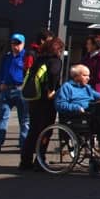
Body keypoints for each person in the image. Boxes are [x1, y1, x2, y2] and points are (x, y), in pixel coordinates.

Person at [19, 36, 64, 171]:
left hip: (34, 98)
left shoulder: (39, 59)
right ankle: (40, 160)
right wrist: (52, 89)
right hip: (46, 99)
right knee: (45, 130)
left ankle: (25, 161)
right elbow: (54, 73)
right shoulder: (55, 60)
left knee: (33, 130)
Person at [0, 33, 30, 152]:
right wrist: (1, 82)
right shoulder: (8, 56)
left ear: (23, 44)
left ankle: (24, 144)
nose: (15, 46)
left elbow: (29, 73)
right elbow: (2, 70)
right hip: (7, 89)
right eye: (13, 43)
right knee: (3, 116)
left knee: (24, 119)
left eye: (18, 43)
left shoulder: (26, 56)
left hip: (20, 89)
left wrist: (25, 86)